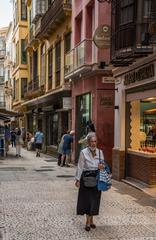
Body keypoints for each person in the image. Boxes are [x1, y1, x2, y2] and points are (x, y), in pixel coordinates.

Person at [75, 134, 104, 231]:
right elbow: (80, 166)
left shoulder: (100, 152)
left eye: (95, 141)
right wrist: (77, 179)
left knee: (95, 200)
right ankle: (87, 222)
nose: (93, 143)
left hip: (96, 178)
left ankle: (91, 220)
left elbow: (103, 165)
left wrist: (101, 166)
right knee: (87, 200)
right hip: (86, 178)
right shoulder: (83, 152)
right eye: (92, 141)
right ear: (88, 142)